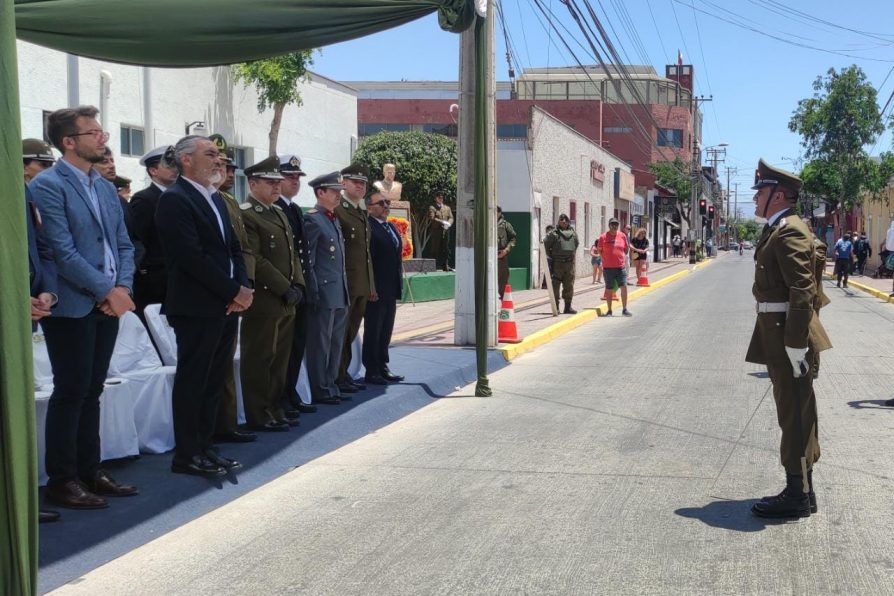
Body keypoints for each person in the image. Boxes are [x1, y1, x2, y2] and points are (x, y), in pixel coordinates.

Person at [30, 105, 138, 509]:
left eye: (102, 130)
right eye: (93, 132)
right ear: (69, 142)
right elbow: (62, 250)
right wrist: (107, 291)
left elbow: (122, 244)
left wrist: (122, 286)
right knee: (71, 389)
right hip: (73, 303)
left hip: (109, 301)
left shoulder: (106, 187)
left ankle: (90, 469)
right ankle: (63, 479)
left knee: (93, 389)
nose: (103, 138)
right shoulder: (47, 185)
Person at [155, 136, 253, 477]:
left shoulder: (215, 199)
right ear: (185, 160)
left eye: (219, 156)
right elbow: (190, 257)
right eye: (210, 154)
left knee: (214, 379)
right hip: (197, 306)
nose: (219, 161)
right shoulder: (175, 200)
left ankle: (206, 447)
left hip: (225, 304)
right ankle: (187, 454)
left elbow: (233, 250)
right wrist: (232, 292)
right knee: (194, 380)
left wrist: (243, 288)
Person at [746, 159, 832, 519]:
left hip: (787, 333)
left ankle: (797, 493)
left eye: (761, 192)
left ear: (778, 195)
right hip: (780, 330)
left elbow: (802, 289)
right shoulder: (780, 228)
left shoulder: (789, 231)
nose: (755, 199)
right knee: (795, 409)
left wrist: (796, 342)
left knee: (795, 411)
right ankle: (803, 490)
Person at [239, 156, 305, 432]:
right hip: (266, 298)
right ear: (253, 184)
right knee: (260, 357)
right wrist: (284, 287)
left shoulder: (277, 212)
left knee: (280, 357)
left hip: (286, 298)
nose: (277, 187)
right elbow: (256, 258)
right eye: (270, 182)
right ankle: (259, 412)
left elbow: (293, 255)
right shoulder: (247, 213)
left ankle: (275, 407)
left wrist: (299, 285)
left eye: (278, 182)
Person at [22, 140, 63, 523]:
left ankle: (20, 502)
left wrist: (45, 292)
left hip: (30, 310)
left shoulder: (24, 194)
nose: (44, 168)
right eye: (39, 162)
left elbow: (44, 249)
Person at [209, 141, 258, 444]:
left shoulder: (227, 201)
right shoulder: (192, 199)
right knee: (213, 365)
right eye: (220, 165)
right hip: (214, 293)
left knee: (226, 362)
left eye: (227, 166)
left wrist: (244, 285)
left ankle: (226, 423)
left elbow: (240, 249)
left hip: (236, 290)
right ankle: (215, 427)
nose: (226, 171)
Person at [275, 154, 317, 417]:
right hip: (283, 289)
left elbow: (302, 252)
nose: (294, 182)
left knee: (297, 345)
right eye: (289, 177)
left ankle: (290, 391)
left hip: (299, 287)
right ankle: (280, 397)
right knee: (281, 349)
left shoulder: (292, 209)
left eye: (297, 177)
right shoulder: (275, 209)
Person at [304, 172, 350, 406]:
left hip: (339, 291)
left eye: (340, 191)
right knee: (320, 344)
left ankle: (331, 383)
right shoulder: (312, 219)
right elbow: (309, 262)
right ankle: (320, 387)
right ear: (320, 192)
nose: (339, 195)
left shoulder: (333, 219)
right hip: (323, 292)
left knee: (335, 343)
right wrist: (312, 291)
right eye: (334, 191)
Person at [335, 163, 376, 394]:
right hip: (346, 284)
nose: (360, 187)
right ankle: (338, 376)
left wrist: (370, 284)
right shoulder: (339, 210)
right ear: (343, 183)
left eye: (363, 183)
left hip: (360, 284)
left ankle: (345, 373)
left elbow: (366, 253)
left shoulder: (360, 211)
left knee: (351, 332)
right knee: (341, 333)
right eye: (355, 182)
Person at [130, 145, 179, 315]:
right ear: (153, 170)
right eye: (169, 165)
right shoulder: (144, 200)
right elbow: (138, 240)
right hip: (154, 280)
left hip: (177, 277)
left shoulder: (180, 198)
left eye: (176, 165)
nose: (175, 169)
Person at [362, 189, 405, 385]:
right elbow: (367, 260)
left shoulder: (391, 228)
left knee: (386, 328)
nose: (386, 206)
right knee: (374, 328)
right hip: (376, 289)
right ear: (369, 207)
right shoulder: (368, 227)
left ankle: (382, 365)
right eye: (381, 203)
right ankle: (371, 369)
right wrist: (371, 286)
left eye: (387, 202)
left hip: (391, 287)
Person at [544, 214, 580, 314]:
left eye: (565, 220)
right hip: (557, 264)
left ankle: (568, 307)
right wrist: (551, 256)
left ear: (568, 221)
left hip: (570, 264)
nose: (563, 221)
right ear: (558, 221)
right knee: (555, 285)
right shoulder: (554, 234)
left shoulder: (573, 233)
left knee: (569, 285)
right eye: (561, 219)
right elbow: (545, 245)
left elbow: (576, 244)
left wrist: (570, 256)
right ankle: (556, 307)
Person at [596, 218, 631, 317]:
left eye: (616, 224)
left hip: (620, 268)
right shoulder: (603, 237)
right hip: (608, 268)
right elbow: (599, 250)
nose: (614, 226)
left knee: (624, 287)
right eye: (612, 224)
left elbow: (626, 249)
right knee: (609, 289)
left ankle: (624, 309)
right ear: (609, 225)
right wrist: (606, 258)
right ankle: (609, 310)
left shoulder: (622, 236)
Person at [428, 191, 454, 271]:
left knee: (445, 249)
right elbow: (432, 218)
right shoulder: (432, 207)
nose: (441, 199)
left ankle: (445, 266)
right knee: (435, 249)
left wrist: (448, 223)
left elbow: (451, 217)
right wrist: (442, 222)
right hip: (437, 232)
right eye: (439, 197)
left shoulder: (447, 208)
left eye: (442, 197)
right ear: (435, 198)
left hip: (445, 231)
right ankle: (433, 266)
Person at [497, 206, 517, 299]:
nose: (495, 213)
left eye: (497, 211)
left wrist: (506, 250)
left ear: (500, 213)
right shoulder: (486, 222)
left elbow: (513, 239)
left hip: (501, 255)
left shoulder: (505, 225)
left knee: (503, 280)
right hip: (488, 255)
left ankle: (504, 304)